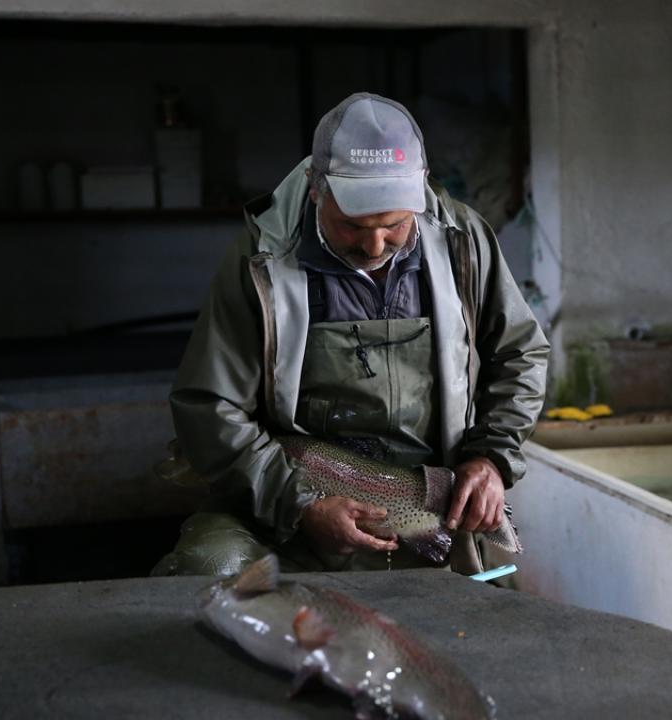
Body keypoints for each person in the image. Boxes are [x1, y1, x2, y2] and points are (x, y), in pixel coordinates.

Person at [153, 92, 548, 577]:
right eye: (352, 225)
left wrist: (491, 457)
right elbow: (210, 405)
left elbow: (520, 354)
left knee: (465, 610)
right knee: (207, 568)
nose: (375, 245)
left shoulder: (463, 241)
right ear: (315, 189)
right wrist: (299, 505)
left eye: (395, 224)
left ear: (420, 187)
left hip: (425, 506)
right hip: (284, 497)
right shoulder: (262, 259)